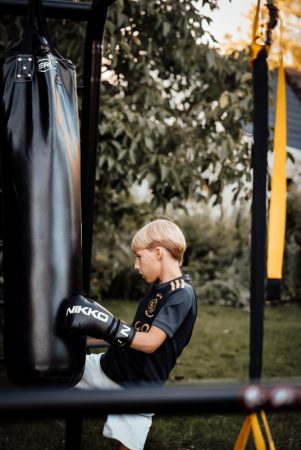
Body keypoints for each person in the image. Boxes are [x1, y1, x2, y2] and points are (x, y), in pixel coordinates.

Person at [65, 218, 197, 450]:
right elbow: (135, 333)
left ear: (158, 252)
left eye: (139, 256)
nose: (136, 265)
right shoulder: (158, 289)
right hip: (109, 368)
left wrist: (108, 323)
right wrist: (90, 333)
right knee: (57, 374)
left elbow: (151, 343)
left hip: (139, 389)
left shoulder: (182, 295)